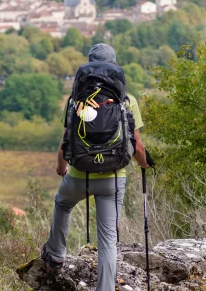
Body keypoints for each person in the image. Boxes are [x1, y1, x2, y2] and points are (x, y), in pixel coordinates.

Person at [40, 43, 150, 291]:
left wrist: (61, 168)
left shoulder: (75, 101)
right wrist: (144, 165)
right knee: (108, 240)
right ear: (115, 66)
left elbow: (65, 141)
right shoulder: (127, 100)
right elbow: (138, 146)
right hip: (113, 179)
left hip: (79, 175)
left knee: (63, 203)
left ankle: (56, 254)